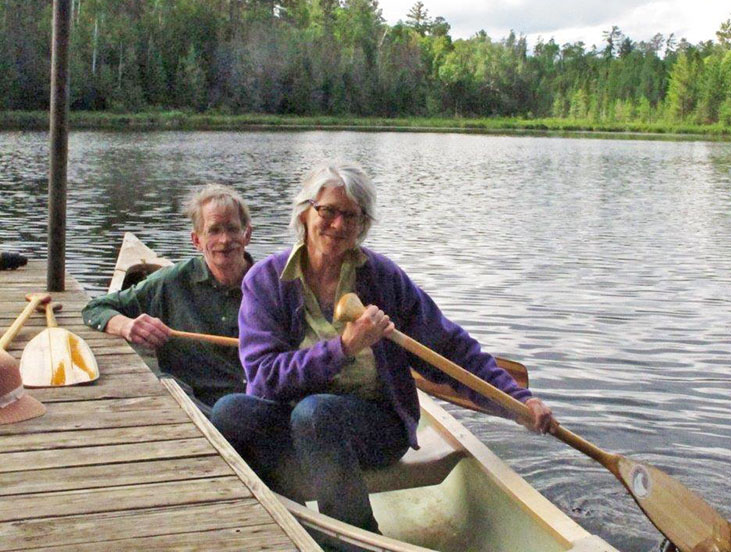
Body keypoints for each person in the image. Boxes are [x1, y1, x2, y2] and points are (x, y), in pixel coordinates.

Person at [211, 161, 554, 535]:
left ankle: (356, 538)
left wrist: (516, 401)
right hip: (296, 418)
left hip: (375, 427)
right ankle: (283, 523)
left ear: (363, 223)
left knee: (316, 413)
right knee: (230, 412)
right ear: (305, 213)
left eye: (351, 216)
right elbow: (264, 380)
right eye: (328, 211)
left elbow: (451, 350)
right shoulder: (266, 280)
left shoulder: (382, 277)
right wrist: (342, 348)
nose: (338, 225)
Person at [82, 184, 253, 416]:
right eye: (214, 231)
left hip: (254, 404)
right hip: (195, 407)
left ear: (247, 235)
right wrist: (127, 325)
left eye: (232, 229)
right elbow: (95, 308)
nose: (224, 240)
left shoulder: (270, 285)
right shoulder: (171, 282)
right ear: (196, 240)